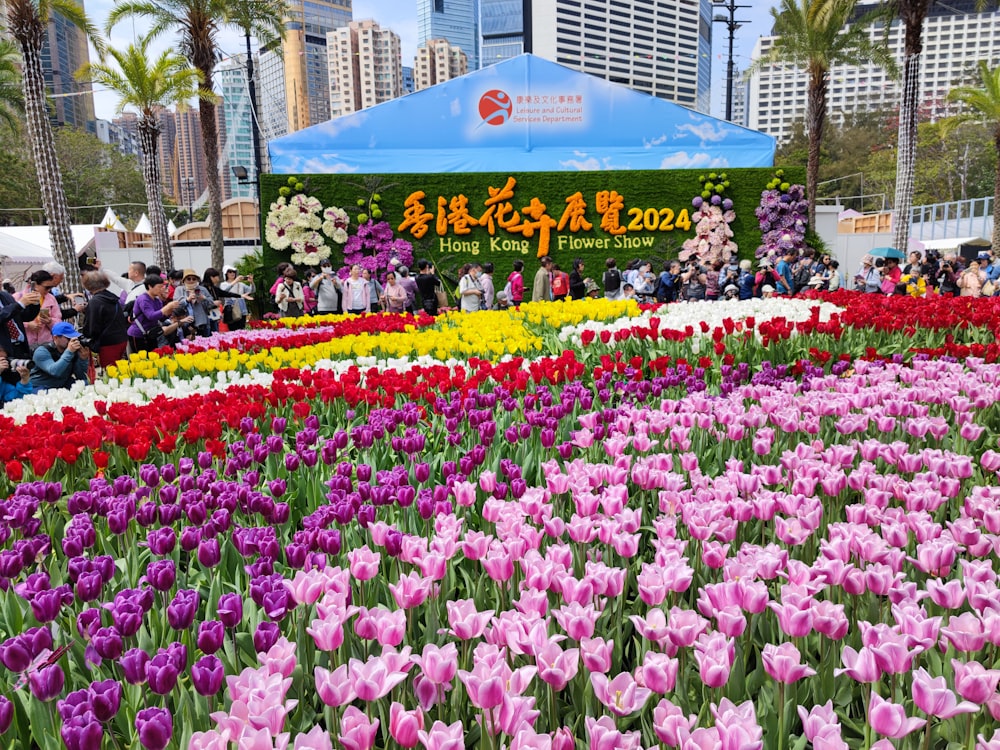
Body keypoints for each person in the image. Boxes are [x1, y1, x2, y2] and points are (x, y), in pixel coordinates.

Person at [81, 270, 129, 368]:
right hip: (121, 338)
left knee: (110, 372)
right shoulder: (112, 298)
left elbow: (92, 327)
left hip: (108, 343)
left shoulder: (95, 302)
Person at [129, 275, 188, 352]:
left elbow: (161, 318)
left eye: (162, 287)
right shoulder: (143, 299)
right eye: (159, 287)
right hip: (139, 335)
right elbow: (151, 316)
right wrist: (166, 307)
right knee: (141, 359)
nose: (161, 289)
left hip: (151, 334)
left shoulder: (157, 300)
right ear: (150, 286)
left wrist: (170, 310)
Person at [31, 321, 90, 391]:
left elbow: (81, 377)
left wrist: (83, 359)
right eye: (68, 338)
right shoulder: (42, 351)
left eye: (74, 337)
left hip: (62, 384)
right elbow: (54, 371)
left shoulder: (72, 350)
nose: (72, 341)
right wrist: (69, 352)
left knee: (85, 385)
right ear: (55, 338)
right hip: (41, 385)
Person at [16, 270, 60, 350]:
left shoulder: (51, 298)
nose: (49, 290)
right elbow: (11, 321)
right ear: (35, 285)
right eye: (47, 287)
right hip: (26, 343)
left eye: (51, 287)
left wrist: (50, 321)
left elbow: (58, 321)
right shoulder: (18, 297)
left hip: (46, 343)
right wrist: (27, 325)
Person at [0, 285, 41, 367]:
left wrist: (34, 303)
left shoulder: (5, 296)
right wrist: (20, 304)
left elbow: (24, 316)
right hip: (4, 350)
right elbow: (3, 315)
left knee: (24, 376)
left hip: (21, 346)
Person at [203, 268, 251, 332]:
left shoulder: (213, 288)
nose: (218, 278)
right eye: (217, 276)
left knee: (215, 333)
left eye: (234, 272)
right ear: (211, 277)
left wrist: (241, 295)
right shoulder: (202, 288)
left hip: (214, 315)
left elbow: (226, 293)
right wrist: (213, 303)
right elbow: (201, 302)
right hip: (206, 316)